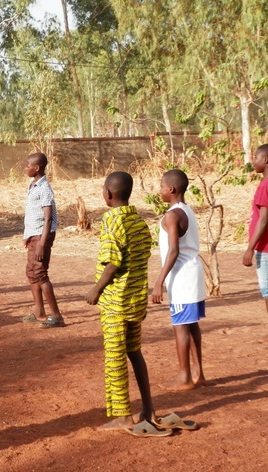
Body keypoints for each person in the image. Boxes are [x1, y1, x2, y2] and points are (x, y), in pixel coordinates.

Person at [85, 172, 170, 436]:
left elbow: (113, 262)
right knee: (134, 352)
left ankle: (123, 416)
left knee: (114, 358)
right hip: (135, 301)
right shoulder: (139, 222)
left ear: (108, 194)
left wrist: (96, 289)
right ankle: (148, 409)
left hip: (115, 303)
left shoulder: (112, 221)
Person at [151, 169, 207, 391]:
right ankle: (198, 374)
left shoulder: (172, 215)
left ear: (171, 189)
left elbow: (173, 251)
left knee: (181, 327)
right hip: (192, 273)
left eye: (162, 187)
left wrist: (158, 281)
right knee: (192, 325)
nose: (160, 190)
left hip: (182, 277)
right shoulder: (187, 210)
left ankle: (185, 377)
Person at [20, 152, 65, 327]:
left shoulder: (45, 188)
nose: (25, 168)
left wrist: (41, 244)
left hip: (42, 236)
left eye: (27, 165)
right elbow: (33, 214)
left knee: (40, 273)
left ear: (36, 168)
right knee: (31, 272)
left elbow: (48, 218)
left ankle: (56, 316)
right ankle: (39, 311)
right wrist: (27, 236)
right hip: (34, 234)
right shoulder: (33, 185)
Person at [243, 143, 268, 343]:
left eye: (256, 158)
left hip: (264, 249)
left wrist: (250, 249)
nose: (254, 162)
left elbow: (264, 219)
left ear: (265, 160)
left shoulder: (264, 186)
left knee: (267, 291)